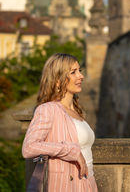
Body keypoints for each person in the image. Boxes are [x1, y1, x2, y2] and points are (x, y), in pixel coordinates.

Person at [22, 53, 98, 192]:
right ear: (58, 80)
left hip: (88, 182)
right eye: (73, 72)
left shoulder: (77, 111)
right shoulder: (48, 109)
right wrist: (70, 151)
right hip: (67, 185)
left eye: (79, 71)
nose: (81, 76)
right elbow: (29, 147)